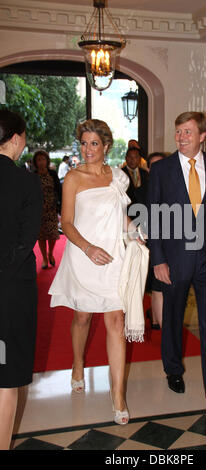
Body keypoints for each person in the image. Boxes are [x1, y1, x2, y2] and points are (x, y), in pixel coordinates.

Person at [147, 111, 206, 413]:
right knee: (173, 319)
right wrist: (158, 260)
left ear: (202, 136)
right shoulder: (161, 170)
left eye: (187, 132)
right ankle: (173, 369)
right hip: (174, 259)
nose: (181, 138)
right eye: (178, 132)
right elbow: (154, 217)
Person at [49, 119, 138, 426]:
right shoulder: (73, 177)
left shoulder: (119, 177)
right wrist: (88, 248)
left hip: (113, 255)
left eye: (94, 144)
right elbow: (68, 222)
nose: (88, 150)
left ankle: (117, 395)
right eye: (84, 143)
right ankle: (77, 364)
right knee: (83, 317)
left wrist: (136, 232)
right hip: (83, 255)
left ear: (106, 146)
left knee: (116, 320)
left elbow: (122, 216)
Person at [0, 110, 42, 450]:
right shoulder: (26, 180)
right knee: (6, 376)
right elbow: (26, 239)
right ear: (15, 139)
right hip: (11, 291)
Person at [145, 152, 167, 330]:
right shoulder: (143, 189)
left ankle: (155, 318)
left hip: (172, 243)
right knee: (158, 285)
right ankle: (161, 323)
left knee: (162, 285)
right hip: (150, 243)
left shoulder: (174, 186)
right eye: (154, 165)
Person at [33, 149, 61, 269]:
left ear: (47, 160)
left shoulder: (53, 174)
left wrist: (61, 207)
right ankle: (44, 258)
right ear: (35, 162)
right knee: (42, 235)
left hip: (52, 209)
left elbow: (59, 190)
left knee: (52, 234)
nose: (41, 162)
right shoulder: (33, 175)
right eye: (39, 160)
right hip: (38, 210)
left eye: (43, 159)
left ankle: (51, 253)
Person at [122, 147, 149, 213]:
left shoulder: (145, 173)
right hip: (127, 211)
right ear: (126, 158)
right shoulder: (121, 174)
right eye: (130, 157)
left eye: (135, 157)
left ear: (140, 159)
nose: (132, 160)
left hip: (143, 210)